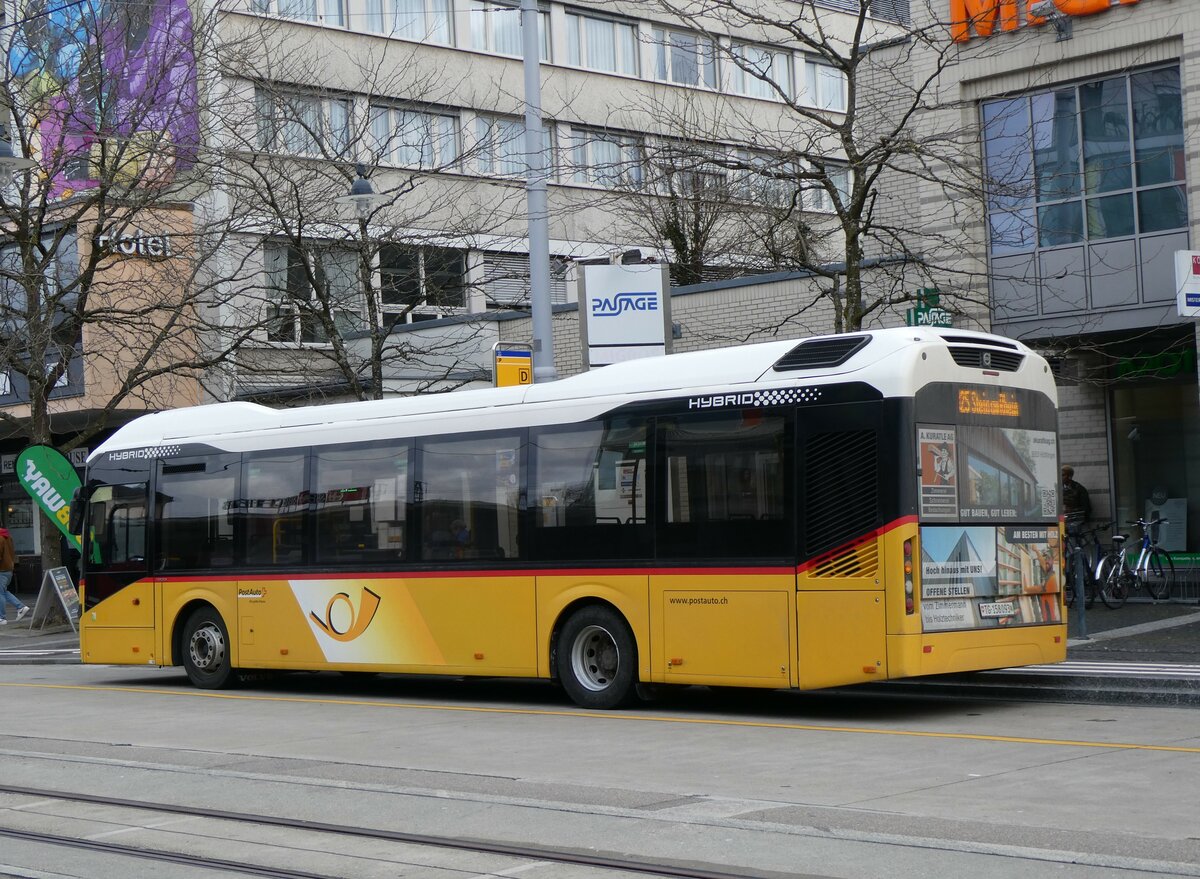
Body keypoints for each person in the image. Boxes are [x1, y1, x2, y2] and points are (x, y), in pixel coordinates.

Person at [0, 527, 28, 626]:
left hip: (1, 570)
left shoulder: (0, 538)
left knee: (0, 593)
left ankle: (1, 618)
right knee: (3, 591)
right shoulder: (8, 537)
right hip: (8, 569)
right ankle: (20, 607)